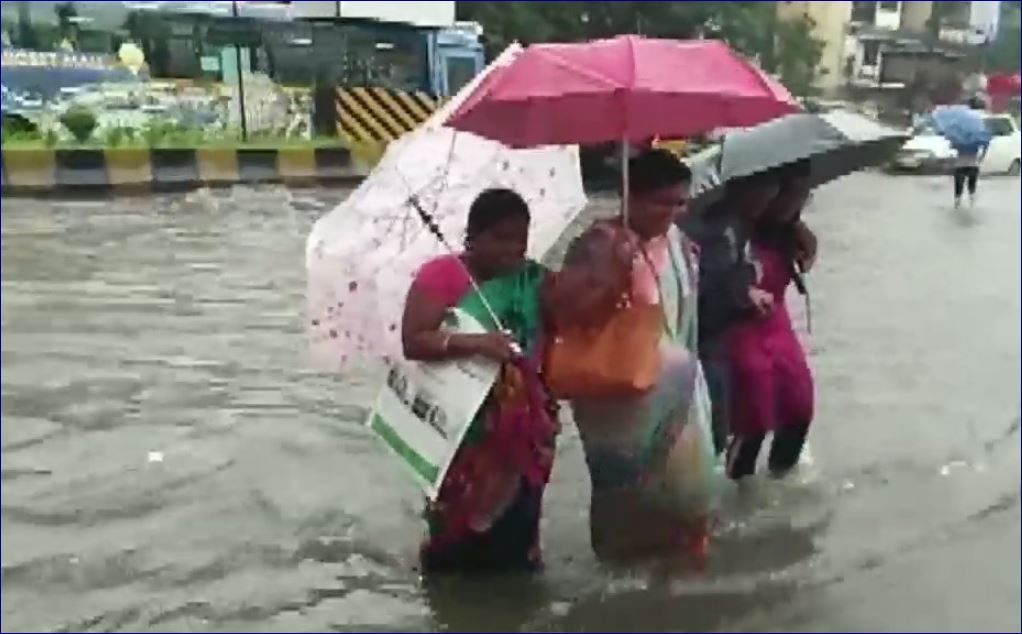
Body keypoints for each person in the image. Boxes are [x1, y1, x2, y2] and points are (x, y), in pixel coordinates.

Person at [550, 149, 718, 562]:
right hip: (621, 393)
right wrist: (611, 278)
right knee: (626, 497)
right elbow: (566, 313)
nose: (674, 212)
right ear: (632, 197)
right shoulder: (599, 243)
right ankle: (622, 595)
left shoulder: (678, 242)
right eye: (664, 202)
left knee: (690, 495)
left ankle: (679, 598)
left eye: (681, 201)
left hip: (679, 388)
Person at [401, 188, 558, 574]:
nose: (513, 249)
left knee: (519, 530)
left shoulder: (534, 281)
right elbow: (414, 340)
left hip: (522, 425)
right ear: (472, 236)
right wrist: (477, 343)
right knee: (457, 526)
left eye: (520, 239)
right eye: (501, 238)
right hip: (463, 423)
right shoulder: (442, 276)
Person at [720, 161, 816, 479]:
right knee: (755, 416)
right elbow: (703, 278)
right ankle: (739, 487)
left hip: (777, 325)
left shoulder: (788, 232)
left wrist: (804, 247)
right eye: (792, 194)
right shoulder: (723, 230)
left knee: (799, 406)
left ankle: (780, 479)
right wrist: (740, 291)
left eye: (803, 195)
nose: (797, 203)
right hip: (734, 328)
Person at [952, 97, 990, 210]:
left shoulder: (960, 136)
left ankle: (959, 205)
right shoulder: (976, 133)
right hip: (972, 165)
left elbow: (952, 146)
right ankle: (970, 206)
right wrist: (981, 157)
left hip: (962, 165)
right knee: (970, 189)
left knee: (960, 189)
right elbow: (985, 144)